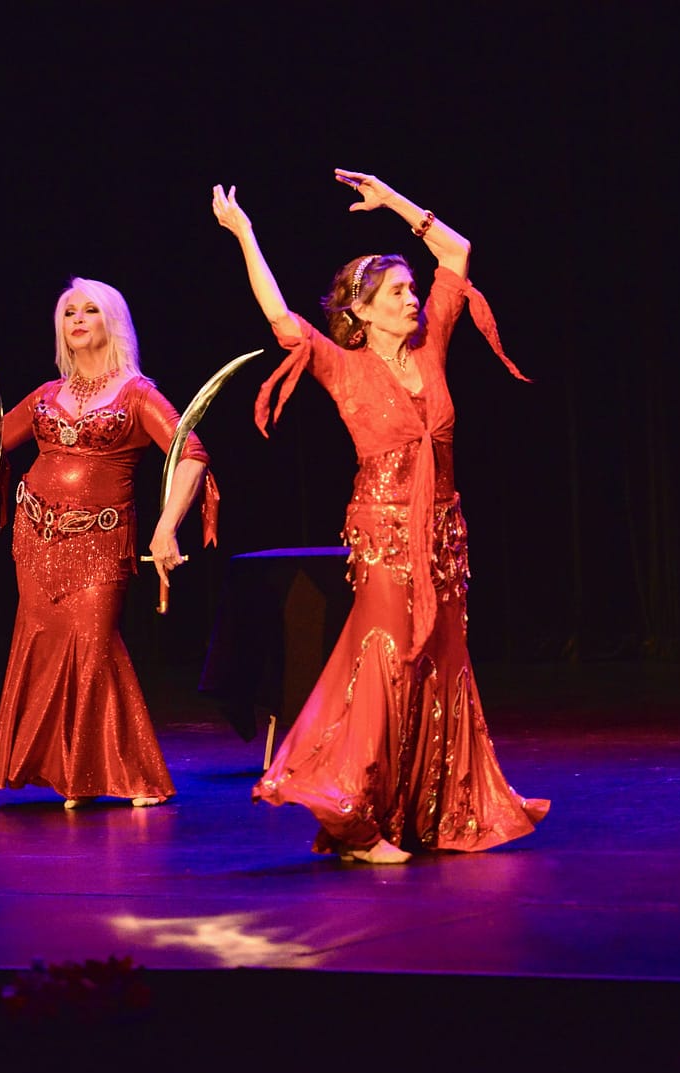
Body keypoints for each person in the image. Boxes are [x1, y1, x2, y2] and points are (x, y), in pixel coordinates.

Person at [212, 171, 547, 862]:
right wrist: (245, 234)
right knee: (385, 661)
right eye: (396, 291)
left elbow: (456, 254)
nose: (412, 296)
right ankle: (356, 818)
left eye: (409, 288)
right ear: (361, 311)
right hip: (384, 534)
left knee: (441, 663)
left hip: (444, 536)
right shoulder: (341, 365)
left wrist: (393, 201)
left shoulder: (432, 346)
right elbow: (280, 320)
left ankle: (433, 809)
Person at [0, 277, 216, 808]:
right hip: (35, 538)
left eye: (90, 310)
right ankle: (75, 773)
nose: (77, 320)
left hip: (99, 540)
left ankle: (130, 774)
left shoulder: (138, 395)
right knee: (44, 645)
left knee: (92, 645)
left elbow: (192, 453)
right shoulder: (48, 395)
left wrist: (167, 526)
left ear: (112, 322)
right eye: (69, 312)